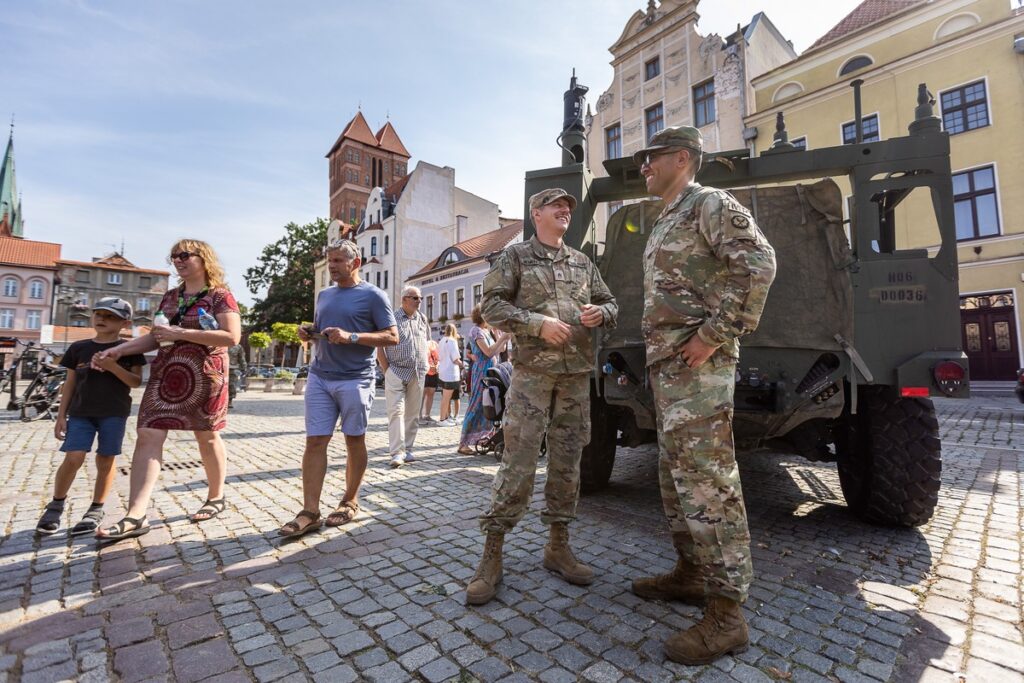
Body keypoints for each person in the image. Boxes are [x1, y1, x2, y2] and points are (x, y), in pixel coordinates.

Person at [630, 126, 777, 665]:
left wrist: (713, 334)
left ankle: (727, 616)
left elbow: (759, 265)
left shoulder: (709, 203)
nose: (643, 166)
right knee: (676, 478)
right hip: (670, 369)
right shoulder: (667, 216)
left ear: (681, 159)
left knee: (708, 482)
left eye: (651, 157)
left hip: (699, 367)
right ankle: (693, 573)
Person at [466, 188, 617, 605]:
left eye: (568, 206)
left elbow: (610, 303)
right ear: (536, 214)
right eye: (556, 205)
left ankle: (557, 546)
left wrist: (600, 313)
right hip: (532, 376)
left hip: (575, 378)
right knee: (518, 462)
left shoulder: (582, 262)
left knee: (568, 463)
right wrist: (536, 324)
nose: (565, 209)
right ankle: (492, 555)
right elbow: (491, 307)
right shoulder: (515, 258)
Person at [94, 240, 242, 540]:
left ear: (204, 259)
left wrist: (180, 332)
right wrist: (119, 350)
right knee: (148, 433)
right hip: (166, 374)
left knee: (207, 435)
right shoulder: (170, 297)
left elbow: (231, 336)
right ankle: (136, 514)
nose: (178, 260)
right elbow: (155, 337)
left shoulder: (219, 296)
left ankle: (215, 497)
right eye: (174, 256)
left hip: (205, 374)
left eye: (185, 255)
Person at [279, 239, 398, 538]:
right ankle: (310, 511)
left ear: (355, 263)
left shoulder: (374, 296)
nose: (331, 266)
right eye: (329, 260)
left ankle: (349, 500)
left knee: (354, 440)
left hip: (355, 378)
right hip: (320, 376)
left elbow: (392, 336)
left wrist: (351, 337)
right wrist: (309, 332)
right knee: (315, 441)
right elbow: (322, 331)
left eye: (337, 261)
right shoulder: (324, 295)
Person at [34, 298, 146, 536]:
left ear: (125, 323)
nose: (102, 319)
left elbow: (136, 382)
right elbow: (70, 383)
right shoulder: (79, 348)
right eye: (99, 314)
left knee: (105, 460)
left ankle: (96, 508)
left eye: (111, 316)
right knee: (73, 457)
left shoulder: (130, 349)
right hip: (80, 413)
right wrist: (61, 415)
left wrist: (113, 367)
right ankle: (56, 505)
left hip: (114, 412)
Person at [377, 285, 430, 468]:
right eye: (415, 298)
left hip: (418, 372)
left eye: (420, 298)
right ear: (404, 299)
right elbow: (380, 347)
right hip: (396, 371)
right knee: (396, 412)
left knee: (413, 414)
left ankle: (407, 449)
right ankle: (397, 453)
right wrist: (387, 371)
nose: (419, 301)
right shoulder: (391, 319)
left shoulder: (422, 318)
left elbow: (426, 342)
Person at [457, 305, 511, 455]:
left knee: (490, 404)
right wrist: (502, 338)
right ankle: (463, 443)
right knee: (475, 405)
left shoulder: (487, 331)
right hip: (481, 372)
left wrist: (500, 336)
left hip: (491, 372)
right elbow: (488, 352)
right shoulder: (476, 331)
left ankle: (485, 438)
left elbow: (500, 350)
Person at [436, 324, 463, 427]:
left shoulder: (442, 341)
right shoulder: (452, 341)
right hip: (451, 373)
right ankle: (442, 419)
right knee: (446, 398)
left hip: (443, 372)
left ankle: (446, 417)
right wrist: (462, 364)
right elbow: (455, 359)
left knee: (445, 397)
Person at [419, 338, 440, 425]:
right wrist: (428, 366)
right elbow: (421, 359)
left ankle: (427, 415)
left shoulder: (435, 346)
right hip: (425, 373)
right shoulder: (423, 346)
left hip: (434, 373)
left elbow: (438, 359)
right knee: (422, 395)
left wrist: (437, 366)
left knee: (431, 394)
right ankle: (419, 416)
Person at [227, 343, 247, 409]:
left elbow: (241, 358)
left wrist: (244, 367)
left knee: (231, 385)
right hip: (219, 368)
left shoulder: (238, 346)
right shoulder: (219, 343)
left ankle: (229, 400)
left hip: (232, 368)